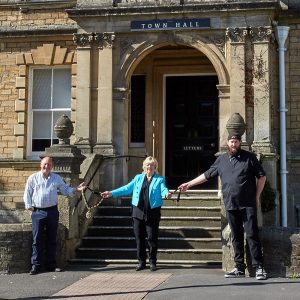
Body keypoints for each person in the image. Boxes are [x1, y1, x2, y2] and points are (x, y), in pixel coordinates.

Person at [178, 134, 267, 280]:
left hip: (247, 204)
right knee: (236, 237)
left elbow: (262, 176)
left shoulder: (249, 157)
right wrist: (189, 184)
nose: (233, 144)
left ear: (239, 143)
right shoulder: (221, 160)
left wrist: (257, 197)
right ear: (228, 143)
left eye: (236, 142)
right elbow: (207, 175)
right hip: (231, 204)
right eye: (231, 142)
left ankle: (259, 268)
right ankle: (239, 267)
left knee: (252, 235)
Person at [102, 156, 172, 271]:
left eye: (152, 164)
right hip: (138, 212)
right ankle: (141, 262)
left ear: (155, 167)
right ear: (144, 166)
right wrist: (111, 193)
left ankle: (153, 262)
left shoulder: (159, 179)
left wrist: (166, 194)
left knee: (151, 238)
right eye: (147, 164)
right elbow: (127, 188)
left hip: (152, 212)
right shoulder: (138, 178)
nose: (149, 166)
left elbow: (164, 189)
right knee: (139, 238)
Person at [24, 156, 85, 275]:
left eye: (49, 164)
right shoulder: (33, 178)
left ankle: (51, 265)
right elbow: (27, 194)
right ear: (40, 165)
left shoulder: (56, 178)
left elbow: (65, 190)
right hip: (38, 212)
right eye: (45, 164)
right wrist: (30, 209)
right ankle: (35, 265)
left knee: (52, 239)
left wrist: (76, 189)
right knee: (37, 239)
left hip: (52, 211)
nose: (47, 166)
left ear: (52, 166)